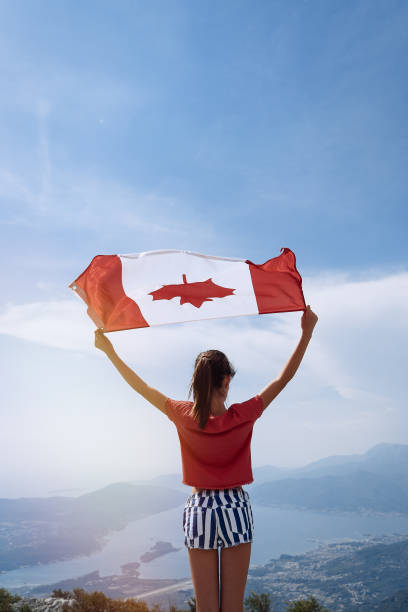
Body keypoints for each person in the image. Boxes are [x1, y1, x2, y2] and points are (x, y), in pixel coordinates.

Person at [94, 305, 318, 612]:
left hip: (200, 509)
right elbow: (283, 378)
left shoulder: (182, 415)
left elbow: (141, 386)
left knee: (207, 608)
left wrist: (109, 351)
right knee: (232, 607)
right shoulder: (243, 414)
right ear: (226, 381)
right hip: (235, 506)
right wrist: (306, 333)